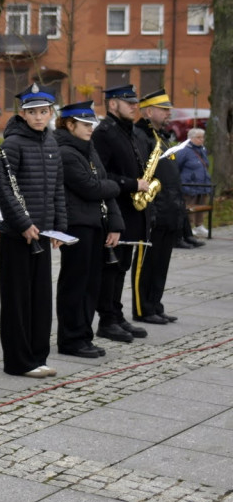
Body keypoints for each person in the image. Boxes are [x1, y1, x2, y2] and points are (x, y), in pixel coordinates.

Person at [0, 83, 66, 378]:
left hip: (43, 234)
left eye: (43, 112)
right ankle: (18, 361)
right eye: (32, 112)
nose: (38, 117)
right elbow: (3, 188)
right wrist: (23, 224)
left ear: (51, 113)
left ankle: (38, 355)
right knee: (17, 300)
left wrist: (59, 226)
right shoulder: (12, 144)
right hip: (18, 235)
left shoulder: (51, 143)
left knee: (40, 299)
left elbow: (58, 188)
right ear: (23, 114)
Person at [54, 101, 122, 359]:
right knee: (75, 284)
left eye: (91, 123)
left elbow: (102, 185)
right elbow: (91, 188)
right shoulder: (65, 152)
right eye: (84, 124)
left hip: (96, 223)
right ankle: (71, 338)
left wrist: (115, 224)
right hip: (77, 225)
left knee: (92, 284)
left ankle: (84, 335)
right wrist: (114, 186)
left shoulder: (88, 148)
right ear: (69, 124)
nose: (90, 128)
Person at [92, 84, 150, 344]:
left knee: (123, 266)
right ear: (113, 104)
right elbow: (101, 174)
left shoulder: (130, 131)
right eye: (129, 102)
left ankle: (116, 313)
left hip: (132, 210)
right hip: (114, 209)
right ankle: (107, 320)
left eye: (135, 102)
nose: (134, 106)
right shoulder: (104, 133)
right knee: (111, 267)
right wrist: (132, 184)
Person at [132, 90, 182, 325]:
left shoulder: (161, 136)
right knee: (146, 264)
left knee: (161, 263)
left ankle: (155, 304)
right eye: (164, 109)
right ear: (149, 112)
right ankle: (143, 308)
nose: (168, 113)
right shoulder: (141, 136)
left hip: (168, 209)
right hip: (153, 209)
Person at [178, 127, 211, 238]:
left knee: (201, 204)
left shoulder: (202, 150)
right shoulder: (184, 150)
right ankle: (188, 227)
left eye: (202, 137)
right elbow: (177, 165)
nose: (201, 140)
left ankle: (199, 225)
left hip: (202, 183)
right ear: (191, 138)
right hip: (189, 184)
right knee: (189, 206)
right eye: (198, 137)